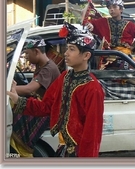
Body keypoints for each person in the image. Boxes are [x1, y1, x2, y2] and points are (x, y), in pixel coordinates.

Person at [7, 22, 105, 157]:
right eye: (67, 48)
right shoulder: (65, 77)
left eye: (71, 49)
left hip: (78, 153)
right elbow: (47, 106)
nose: (66, 53)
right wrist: (17, 99)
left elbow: (92, 133)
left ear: (86, 55)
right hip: (64, 149)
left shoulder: (93, 88)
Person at [11, 35, 61, 157]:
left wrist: (7, 89)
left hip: (48, 110)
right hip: (42, 104)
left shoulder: (48, 69)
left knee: (12, 117)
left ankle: (22, 152)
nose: (27, 57)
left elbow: (29, 89)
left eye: (27, 54)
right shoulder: (42, 66)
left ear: (36, 51)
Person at [86, 0, 135, 69]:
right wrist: (90, 25)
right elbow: (89, 23)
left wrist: (133, 47)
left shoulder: (130, 25)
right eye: (109, 8)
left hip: (124, 55)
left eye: (114, 7)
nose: (111, 10)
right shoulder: (103, 21)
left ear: (121, 9)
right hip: (105, 54)